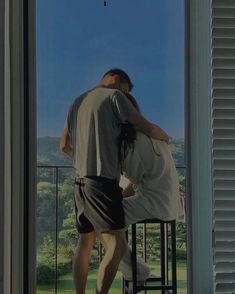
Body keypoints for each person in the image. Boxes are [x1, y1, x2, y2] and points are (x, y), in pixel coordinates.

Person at [60, 68, 170, 294]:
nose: (126, 94)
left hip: (80, 182)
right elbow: (143, 125)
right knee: (117, 246)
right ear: (116, 79)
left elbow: (64, 146)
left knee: (84, 244)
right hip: (101, 183)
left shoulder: (76, 102)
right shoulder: (113, 96)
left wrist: (84, 161)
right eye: (126, 89)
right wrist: (164, 136)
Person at [117, 93, 184, 288]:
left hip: (156, 203)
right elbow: (135, 181)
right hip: (171, 202)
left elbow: (131, 181)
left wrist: (115, 199)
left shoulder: (132, 143)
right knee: (111, 216)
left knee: (104, 220)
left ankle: (136, 272)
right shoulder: (152, 133)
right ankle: (135, 271)